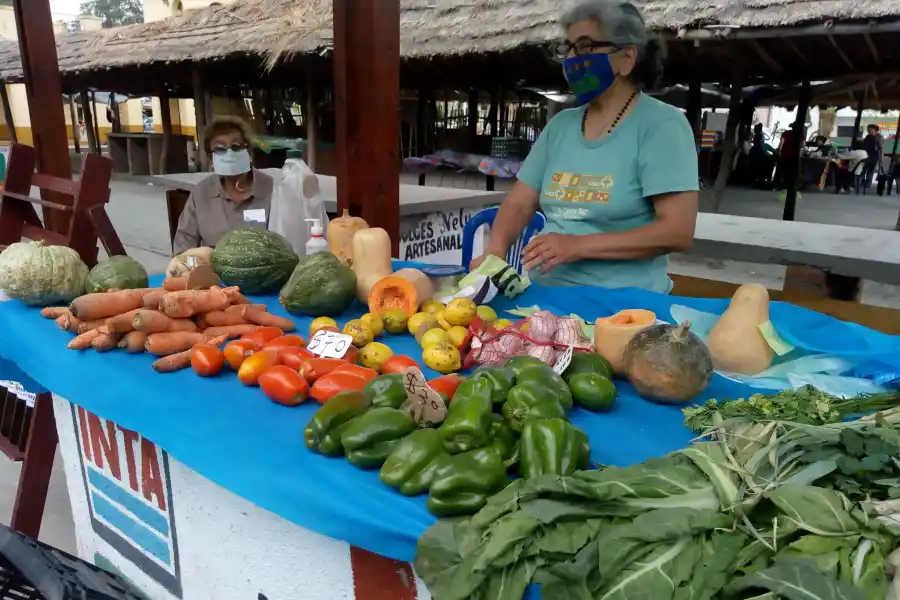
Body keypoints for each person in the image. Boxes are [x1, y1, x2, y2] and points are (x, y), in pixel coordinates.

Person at [469, 0, 698, 293]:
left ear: (626, 57)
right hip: (545, 294)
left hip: (624, 304)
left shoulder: (662, 126)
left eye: (586, 46)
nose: (572, 59)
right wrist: (497, 248)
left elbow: (677, 231)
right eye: (569, 48)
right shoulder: (561, 126)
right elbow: (521, 200)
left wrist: (579, 246)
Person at [173, 116, 275, 254]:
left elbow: (289, 241)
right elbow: (183, 246)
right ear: (211, 158)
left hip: (265, 270)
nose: (229, 154)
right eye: (220, 149)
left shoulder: (273, 190)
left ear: (249, 152)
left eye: (236, 146)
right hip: (211, 272)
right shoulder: (201, 193)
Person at [863, 124, 884, 188]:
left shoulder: (879, 137)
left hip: (874, 156)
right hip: (866, 155)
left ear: (875, 130)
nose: (868, 131)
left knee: (871, 171)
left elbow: (881, 148)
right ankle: (862, 182)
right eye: (868, 129)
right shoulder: (867, 136)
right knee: (863, 169)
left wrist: (881, 157)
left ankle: (868, 184)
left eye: (870, 129)